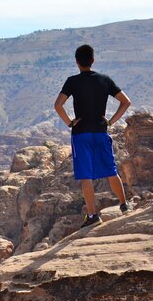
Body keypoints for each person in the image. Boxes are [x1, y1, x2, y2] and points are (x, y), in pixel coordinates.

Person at [54, 44, 132, 230]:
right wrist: (111, 121)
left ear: (77, 62)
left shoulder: (72, 81)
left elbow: (58, 105)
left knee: (86, 176)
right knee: (110, 170)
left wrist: (70, 122)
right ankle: (124, 205)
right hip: (100, 130)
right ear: (93, 60)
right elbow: (126, 102)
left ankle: (92, 215)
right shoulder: (104, 80)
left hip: (81, 134)